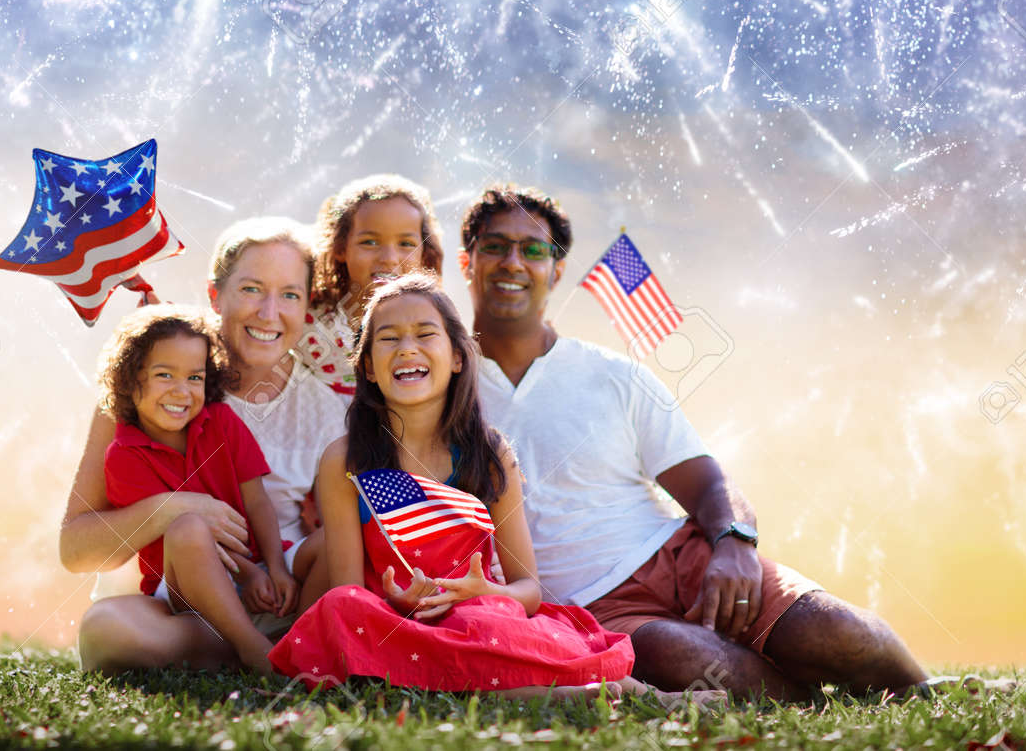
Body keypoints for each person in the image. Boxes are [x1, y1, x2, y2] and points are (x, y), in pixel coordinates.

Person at [459, 185, 930, 701]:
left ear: (556, 270)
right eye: (495, 246)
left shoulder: (614, 374)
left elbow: (707, 481)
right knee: (684, 657)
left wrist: (734, 543)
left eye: (533, 249)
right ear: (467, 262)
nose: (513, 262)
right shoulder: (443, 386)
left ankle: (926, 690)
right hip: (588, 609)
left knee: (839, 632)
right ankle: (814, 707)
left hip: (682, 558)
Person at [271, 274, 715, 704]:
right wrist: (397, 601)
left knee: (492, 626)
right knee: (341, 609)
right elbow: (350, 590)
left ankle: (642, 694)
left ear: (457, 357)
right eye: (388, 339)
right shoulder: (345, 460)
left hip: (477, 615)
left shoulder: (489, 453)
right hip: (393, 625)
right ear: (368, 366)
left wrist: (486, 592)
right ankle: (548, 696)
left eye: (425, 334)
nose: (407, 348)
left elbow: (528, 590)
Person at [62, 217, 347, 674]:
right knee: (107, 631)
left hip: (278, 593)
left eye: (290, 295)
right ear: (215, 295)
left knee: (344, 542)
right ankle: (251, 649)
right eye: (251, 289)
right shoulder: (145, 388)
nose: (269, 313)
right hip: (180, 602)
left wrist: (277, 570)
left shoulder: (325, 409)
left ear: (307, 305)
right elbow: (76, 553)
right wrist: (172, 509)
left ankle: (279, 643)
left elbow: (337, 538)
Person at [97, 304, 296, 675]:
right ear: (130, 379)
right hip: (185, 586)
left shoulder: (221, 421)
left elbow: (257, 501)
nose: (181, 391)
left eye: (194, 377)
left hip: (256, 569)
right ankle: (253, 648)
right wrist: (248, 574)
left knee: (324, 546)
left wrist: (275, 567)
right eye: (164, 374)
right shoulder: (123, 455)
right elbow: (182, 541)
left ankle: (301, 639)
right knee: (188, 527)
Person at [303, 175, 444, 396]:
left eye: (406, 244)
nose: (389, 258)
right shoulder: (307, 321)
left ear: (424, 255)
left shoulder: (436, 326)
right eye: (370, 242)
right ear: (340, 248)